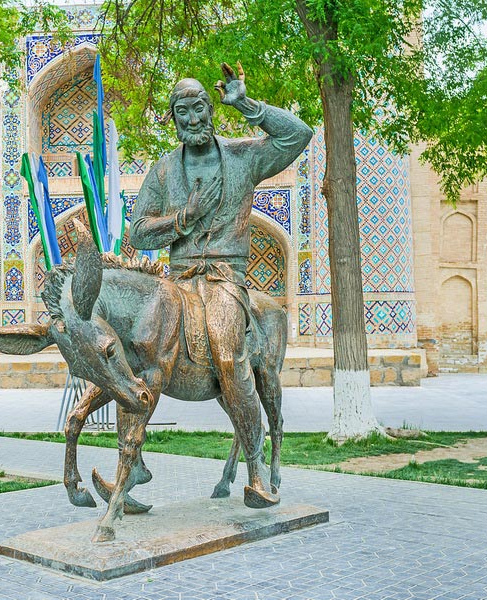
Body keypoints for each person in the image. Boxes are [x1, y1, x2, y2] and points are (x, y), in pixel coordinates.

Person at [131, 62, 312, 506]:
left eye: (199, 109)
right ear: (173, 120)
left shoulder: (242, 157)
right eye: (182, 112)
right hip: (178, 280)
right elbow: (136, 232)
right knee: (134, 356)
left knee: (229, 357)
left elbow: (298, 135)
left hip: (223, 278)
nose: (193, 119)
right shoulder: (163, 172)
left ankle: (256, 473)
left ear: (211, 109)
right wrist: (182, 219)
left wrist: (248, 105)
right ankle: (129, 467)